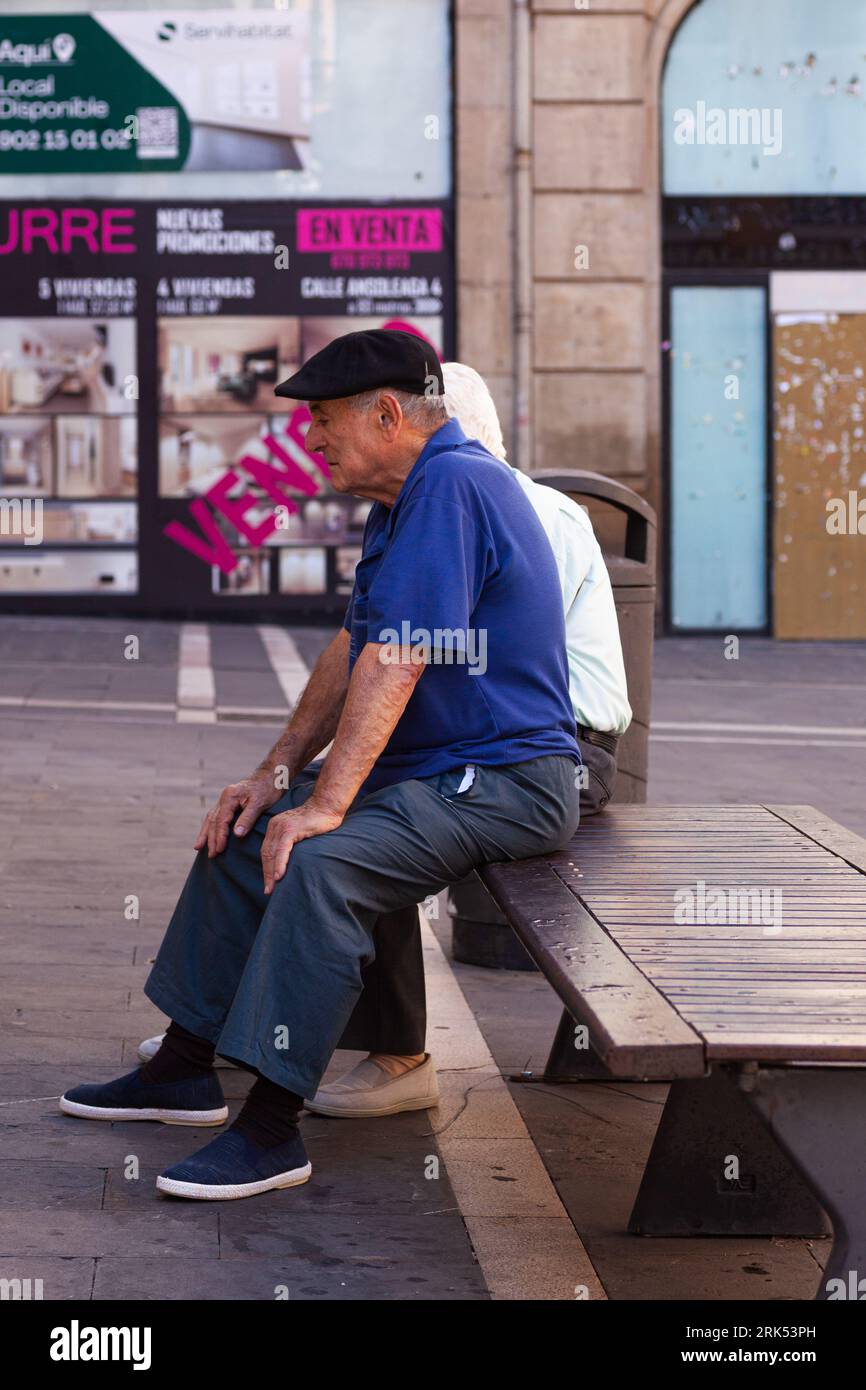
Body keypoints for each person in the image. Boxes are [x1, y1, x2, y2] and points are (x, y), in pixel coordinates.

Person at [60, 329, 582, 1201]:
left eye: (324, 419)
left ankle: (270, 1131)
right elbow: (358, 643)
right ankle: (185, 1069)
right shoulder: (404, 498)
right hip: (439, 766)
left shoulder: (455, 482)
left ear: (387, 414)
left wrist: (328, 804)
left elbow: (403, 655)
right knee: (249, 825)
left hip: (508, 779)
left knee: (320, 860)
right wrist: (276, 776)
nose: (311, 439)